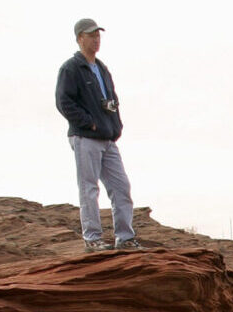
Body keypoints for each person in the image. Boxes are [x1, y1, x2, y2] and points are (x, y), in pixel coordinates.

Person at [55, 18, 140, 252]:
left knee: (121, 187)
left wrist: (116, 125)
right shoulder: (71, 68)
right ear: (80, 38)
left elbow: (113, 99)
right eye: (92, 35)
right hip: (86, 138)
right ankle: (92, 238)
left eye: (98, 35)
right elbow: (63, 102)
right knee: (89, 188)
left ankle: (125, 238)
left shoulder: (101, 68)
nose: (96, 39)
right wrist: (89, 123)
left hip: (108, 137)